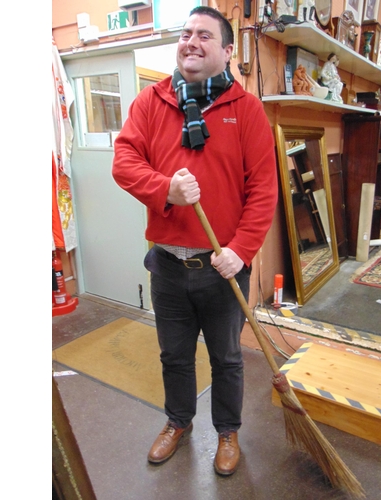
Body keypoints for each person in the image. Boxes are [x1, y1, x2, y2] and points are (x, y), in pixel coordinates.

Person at [112, 6, 278, 477]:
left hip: (222, 267)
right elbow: (124, 161)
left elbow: (264, 190)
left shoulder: (246, 110)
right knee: (174, 355)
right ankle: (177, 422)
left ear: (227, 51)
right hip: (166, 266)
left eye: (204, 35)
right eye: (186, 33)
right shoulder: (151, 102)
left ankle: (227, 431)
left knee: (227, 357)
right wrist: (165, 189)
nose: (191, 41)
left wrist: (241, 250)